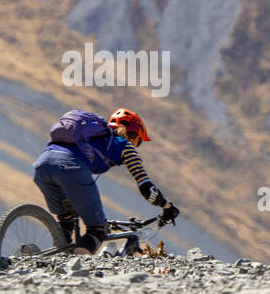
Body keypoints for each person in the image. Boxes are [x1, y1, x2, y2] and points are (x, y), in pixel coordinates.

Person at [33, 108, 179, 254]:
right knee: (98, 229)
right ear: (133, 136)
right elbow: (145, 185)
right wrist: (166, 207)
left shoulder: (90, 137)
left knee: (67, 218)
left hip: (42, 165)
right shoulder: (125, 146)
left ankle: (54, 256)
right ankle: (76, 270)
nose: (136, 146)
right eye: (138, 141)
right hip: (71, 168)